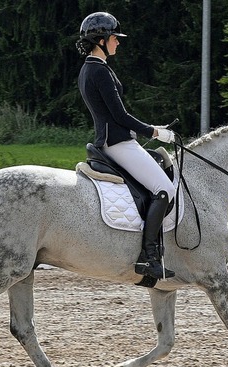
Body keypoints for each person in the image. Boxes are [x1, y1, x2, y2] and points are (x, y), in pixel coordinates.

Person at [76, 12, 175, 279]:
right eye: (114, 38)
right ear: (100, 40)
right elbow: (119, 116)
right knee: (164, 189)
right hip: (117, 142)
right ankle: (149, 257)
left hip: (115, 139)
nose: (118, 43)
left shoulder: (92, 69)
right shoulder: (99, 71)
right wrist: (155, 131)